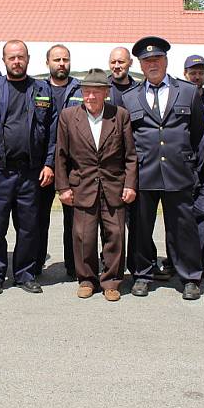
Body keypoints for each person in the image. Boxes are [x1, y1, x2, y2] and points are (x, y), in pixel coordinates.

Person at [0, 40, 56, 294]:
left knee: (29, 228)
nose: (16, 61)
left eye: (21, 57)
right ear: (4, 60)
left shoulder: (42, 89)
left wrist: (49, 163)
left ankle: (24, 274)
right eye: (11, 58)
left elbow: (52, 133)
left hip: (30, 172)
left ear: (28, 58)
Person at [122, 37, 204, 300]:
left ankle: (190, 276)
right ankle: (143, 274)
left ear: (166, 61)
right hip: (144, 172)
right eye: (147, 61)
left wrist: (190, 164)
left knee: (183, 227)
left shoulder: (189, 92)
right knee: (140, 227)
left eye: (157, 59)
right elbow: (127, 138)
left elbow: (198, 133)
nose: (152, 64)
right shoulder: (129, 96)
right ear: (140, 65)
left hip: (178, 170)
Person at [55, 68, 137, 301]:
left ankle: (111, 281)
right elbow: (60, 155)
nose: (90, 97)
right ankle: (87, 280)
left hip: (114, 185)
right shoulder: (69, 116)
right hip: (81, 186)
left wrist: (130, 184)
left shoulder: (119, 115)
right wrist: (63, 188)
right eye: (86, 92)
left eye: (95, 92)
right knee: (83, 236)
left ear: (106, 93)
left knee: (115, 234)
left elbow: (130, 155)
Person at [37, 44, 82, 278]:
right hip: (41, 164)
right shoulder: (36, 89)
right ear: (48, 63)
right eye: (56, 60)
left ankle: (75, 267)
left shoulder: (81, 89)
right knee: (37, 217)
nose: (61, 63)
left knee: (74, 220)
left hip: (72, 164)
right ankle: (34, 265)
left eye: (65, 59)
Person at [182, 54, 204, 277]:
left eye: (201, 72)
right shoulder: (179, 98)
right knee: (180, 219)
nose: (197, 76)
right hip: (183, 169)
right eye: (193, 72)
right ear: (185, 74)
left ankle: (200, 263)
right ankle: (179, 262)